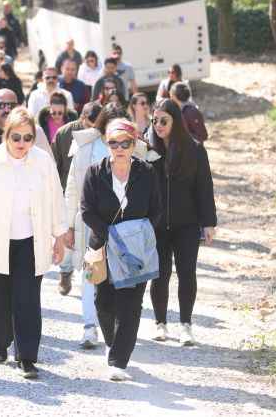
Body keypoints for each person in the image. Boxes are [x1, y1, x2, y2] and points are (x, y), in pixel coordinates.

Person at [0, 108, 68, 379]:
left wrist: (59, 237)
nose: (22, 144)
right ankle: (1, 341)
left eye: (28, 137)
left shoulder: (43, 162)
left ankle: (26, 356)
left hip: (31, 242)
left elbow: (56, 200)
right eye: (16, 137)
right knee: (0, 298)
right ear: (6, 135)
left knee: (27, 300)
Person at [81, 118, 162, 381]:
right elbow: (86, 210)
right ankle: (111, 343)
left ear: (134, 143)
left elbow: (156, 210)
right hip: (103, 247)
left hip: (135, 249)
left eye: (125, 143)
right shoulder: (95, 172)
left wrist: (138, 236)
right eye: (113, 142)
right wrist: (112, 236)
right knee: (103, 302)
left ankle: (119, 361)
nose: (119, 148)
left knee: (131, 304)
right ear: (107, 144)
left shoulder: (147, 172)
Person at [64, 104, 134, 347]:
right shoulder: (85, 147)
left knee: (116, 277)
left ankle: (112, 326)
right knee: (89, 274)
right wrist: (68, 225)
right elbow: (72, 187)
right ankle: (89, 326)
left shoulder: (135, 148)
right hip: (89, 223)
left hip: (123, 226)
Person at [148, 99, 217, 346]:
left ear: (175, 121)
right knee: (160, 273)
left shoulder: (195, 150)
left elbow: (204, 188)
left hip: (187, 223)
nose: (158, 125)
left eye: (163, 120)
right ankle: (160, 323)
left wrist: (208, 223)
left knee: (187, 273)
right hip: (156, 224)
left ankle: (186, 325)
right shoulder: (147, 150)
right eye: (154, 120)